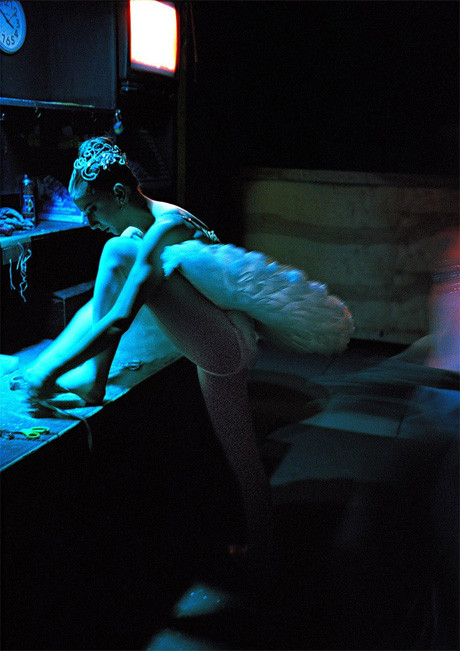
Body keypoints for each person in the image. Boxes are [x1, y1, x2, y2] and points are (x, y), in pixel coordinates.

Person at [25, 137, 354, 576]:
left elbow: (119, 318)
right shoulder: (148, 229)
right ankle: (265, 547)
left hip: (223, 345)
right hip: (217, 345)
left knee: (117, 250)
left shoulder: (165, 226)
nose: (89, 221)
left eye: (92, 209)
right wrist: (47, 364)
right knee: (240, 452)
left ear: (119, 194)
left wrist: (52, 372)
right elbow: (101, 309)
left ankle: (94, 381)